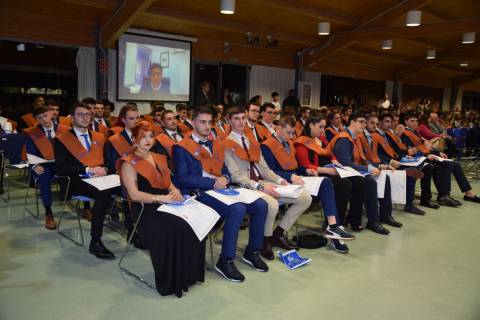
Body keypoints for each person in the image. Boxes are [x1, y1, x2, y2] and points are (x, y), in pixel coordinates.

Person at [173, 106, 269, 282]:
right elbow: (183, 178)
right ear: (193, 122)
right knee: (237, 209)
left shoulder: (214, 143)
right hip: (199, 192)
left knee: (261, 205)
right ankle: (225, 260)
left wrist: (224, 177)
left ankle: (252, 251)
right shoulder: (181, 147)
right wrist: (213, 182)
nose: (207, 126)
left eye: (210, 122)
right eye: (202, 122)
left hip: (221, 188)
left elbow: (224, 169)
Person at [119, 121, 204, 297]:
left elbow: (168, 183)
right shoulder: (128, 163)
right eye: (143, 137)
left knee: (194, 220)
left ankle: (188, 275)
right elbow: (134, 195)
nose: (148, 140)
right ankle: (170, 281)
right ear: (134, 140)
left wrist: (175, 191)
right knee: (174, 227)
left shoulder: (157, 157)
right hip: (145, 207)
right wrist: (161, 198)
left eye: (151, 136)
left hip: (166, 202)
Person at [222, 106, 312, 260]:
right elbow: (236, 176)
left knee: (305, 198)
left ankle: (278, 233)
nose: (241, 122)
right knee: (272, 204)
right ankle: (265, 241)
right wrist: (260, 186)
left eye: (243, 118)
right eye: (236, 118)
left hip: (262, 182)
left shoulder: (253, 142)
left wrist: (279, 180)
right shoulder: (225, 144)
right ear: (229, 120)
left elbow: (264, 168)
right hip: (245, 187)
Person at [261, 116, 355, 252]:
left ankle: (333, 225)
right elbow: (269, 172)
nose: (292, 136)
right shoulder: (267, 146)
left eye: (293, 132)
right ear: (278, 129)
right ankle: (277, 235)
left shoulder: (288, 143)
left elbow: (294, 166)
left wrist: (306, 170)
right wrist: (291, 176)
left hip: (293, 180)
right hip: (276, 183)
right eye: (288, 133)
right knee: (320, 189)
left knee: (326, 182)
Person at [53, 102, 115, 259]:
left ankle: (134, 232)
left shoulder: (100, 137)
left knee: (129, 186)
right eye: (80, 114)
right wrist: (87, 170)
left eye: (88, 115)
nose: (85, 117)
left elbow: (108, 161)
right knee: (104, 192)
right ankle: (96, 241)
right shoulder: (61, 139)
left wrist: (105, 169)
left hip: (101, 177)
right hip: (76, 180)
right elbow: (61, 168)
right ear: (72, 117)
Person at [330, 112, 392, 235]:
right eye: (361, 122)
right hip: (341, 173)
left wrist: (380, 166)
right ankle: (372, 221)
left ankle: (385, 215)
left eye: (365, 122)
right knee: (369, 180)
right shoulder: (344, 138)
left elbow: (362, 160)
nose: (364, 125)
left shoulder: (355, 137)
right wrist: (368, 169)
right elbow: (345, 164)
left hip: (352, 171)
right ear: (352, 122)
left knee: (385, 176)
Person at [402, 113, 480, 205]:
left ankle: (467, 193)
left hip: (427, 156)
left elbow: (425, 148)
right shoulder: (405, 134)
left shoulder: (415, 133)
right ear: (406, 122)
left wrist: (438, 153)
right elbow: (410, 152)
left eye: (416, 121)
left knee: (455, 164)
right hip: (418, 159)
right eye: (412, 121)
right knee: (447, 165)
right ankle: (443, 195)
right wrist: (427, 156)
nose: (415, 123)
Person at [23, 105, 69, 229]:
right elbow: (29, 152)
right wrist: (34, 166)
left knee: (80, 172)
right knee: (43, 177)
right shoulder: (32, 132)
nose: (44, 119)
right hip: (44, 164)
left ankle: (87, 208)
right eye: (40, 117)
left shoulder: (64, 129)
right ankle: (48, 213)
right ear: (36, 119)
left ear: (51, 114)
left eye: (45, 115)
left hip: (61, 163)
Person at [373, 113, 425, 215]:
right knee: (411, 173)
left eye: (390, 122)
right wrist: (390, 162)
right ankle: (409, 204)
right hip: (383, 164)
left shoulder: (386, 135)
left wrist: (403, 157)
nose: (389, 124)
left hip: (394, 161)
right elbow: (377, 154)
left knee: (416, 168)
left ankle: (409, 201)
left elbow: (393, 151)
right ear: (379, 123)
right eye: (386, 121)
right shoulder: (375, 135)